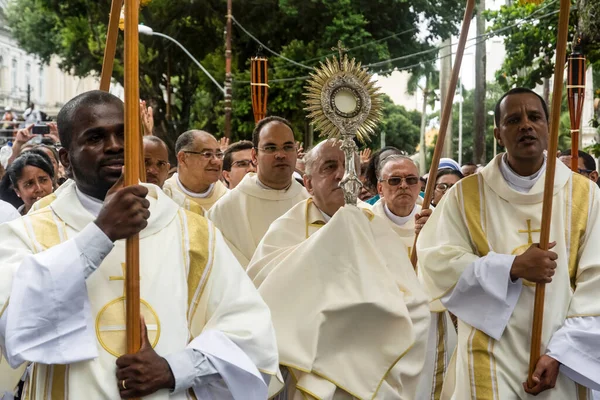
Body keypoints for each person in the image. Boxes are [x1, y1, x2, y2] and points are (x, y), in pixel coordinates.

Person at [0, 91, 279, 399]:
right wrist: (101, 234)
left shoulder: (192, 232)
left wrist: (176, 369)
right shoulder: (31, 232)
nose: (115, 146)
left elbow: (251, 329)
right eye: (95, 138)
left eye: (124, 134)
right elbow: (11, 320)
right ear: (66, 158)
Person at [417, 87, 600, 399]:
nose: (525, 125)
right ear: (498, 134)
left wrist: (561, 353)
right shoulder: (465, 196)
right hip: (487, 355)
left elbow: (595, 283)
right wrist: (511, 267)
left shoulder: (585, 196)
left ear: (549, 127)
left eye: (535, 117)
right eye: (513, 119)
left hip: (560, 353)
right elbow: (436, 263)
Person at [247, 140, 430, 399]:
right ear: (308, 183)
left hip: (372, 372)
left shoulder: (375, 227)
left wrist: (375, 348)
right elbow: (261, 295)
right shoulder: (285, 229)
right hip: (305, 373)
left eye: (350, 167)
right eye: (330, 166)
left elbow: (417, 308)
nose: (343, 175)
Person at [372, 154, 456, 400]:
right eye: (394, 180)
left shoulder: (437, 220)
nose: (403, 186)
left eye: (410, 180)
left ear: (420, 185)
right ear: (380, 187)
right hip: (382, 323)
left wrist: (435, 236)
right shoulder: (365, 221)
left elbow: (452, 268)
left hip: (428, 324)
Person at [206, 116, 309, 267]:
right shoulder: (224, 211)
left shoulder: (312, 202)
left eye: (288, 147)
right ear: (254, 156)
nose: (281, 154)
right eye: (270, 148)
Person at [162, 130, 228, 213]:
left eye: (219, 155)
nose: (216, 161)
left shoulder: (228, 198)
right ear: (182, 158)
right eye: (207, 154)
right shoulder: (164, 196)